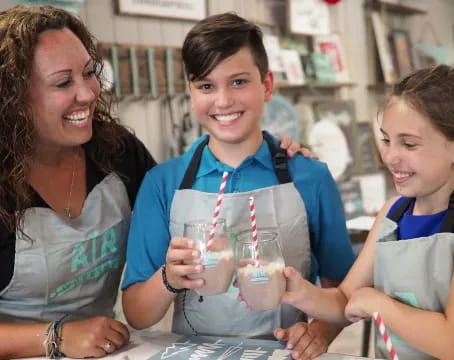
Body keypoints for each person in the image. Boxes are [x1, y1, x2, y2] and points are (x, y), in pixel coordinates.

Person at [0, 6, 309, 359]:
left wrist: (274, 155)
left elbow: (171, 202)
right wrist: (53, 338)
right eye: (62, 82)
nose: (87, 93)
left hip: (104, 348)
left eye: (89, 73)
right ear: (13, 98)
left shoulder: (115, 151)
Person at [121, 12, 355, 360]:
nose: (223, 101)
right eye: (206, 86)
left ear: (268, 85)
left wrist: (318, 332)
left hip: (283, 352)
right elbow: (138, 315)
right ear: (190, 91)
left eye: (239, 82)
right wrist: (169, 277)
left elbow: (344, 294)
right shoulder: (162, 183)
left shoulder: (311, 178)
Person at [281, 65, 454, 359]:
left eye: (409, 144)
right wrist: (297, 292)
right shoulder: (393, 212)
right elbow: (347, 299)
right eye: (386, 140)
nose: (389, 156)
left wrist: (378, 304)